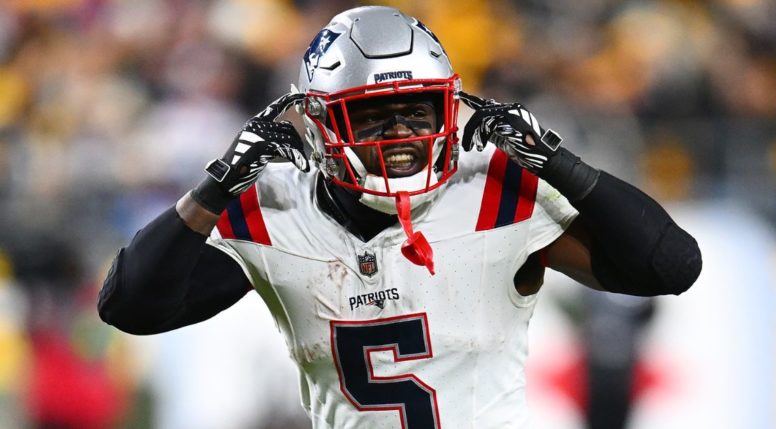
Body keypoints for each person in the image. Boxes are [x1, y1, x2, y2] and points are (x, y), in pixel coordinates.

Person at [97, 6, 702, 428]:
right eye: (373, 117)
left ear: (449, 108)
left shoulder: (492, 192)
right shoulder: (278, 208)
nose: (401, 136)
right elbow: (130, 306)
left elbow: (670, 264)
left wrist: (561, 163)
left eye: (416, 112)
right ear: (322, 123)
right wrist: (215, 185)